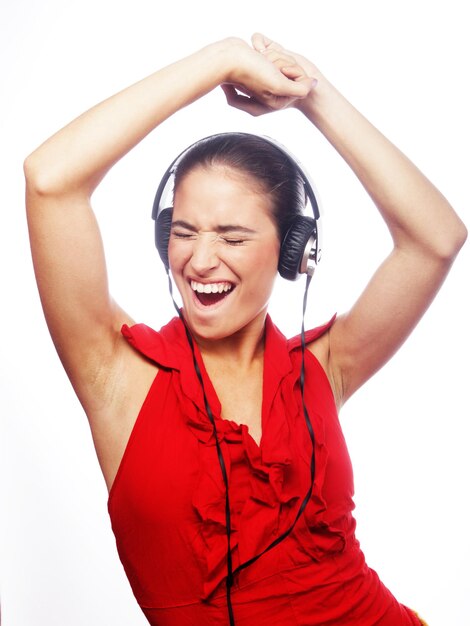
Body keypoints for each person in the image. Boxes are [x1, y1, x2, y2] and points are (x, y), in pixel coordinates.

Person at [24, 33, 466, 626]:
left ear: (291, 253)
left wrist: (312, 94)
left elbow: (436, 239)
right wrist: (218, 62)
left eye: (232, 237)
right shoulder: (117, 374)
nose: (200, 261)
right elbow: (49, 179)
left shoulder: (322, 367)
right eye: (183, 231)